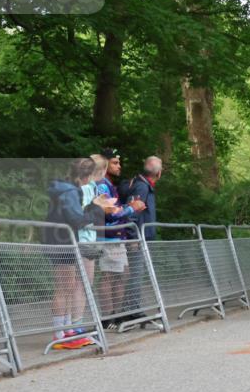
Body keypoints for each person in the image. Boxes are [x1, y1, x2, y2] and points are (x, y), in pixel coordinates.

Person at [45, 158, 116, 349]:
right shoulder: (69, 191)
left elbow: (74, 215)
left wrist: (92, 206)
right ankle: (59, 334)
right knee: (63, 288)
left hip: (64, 241)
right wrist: (97, 209)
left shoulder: (67, 189)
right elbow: (77, 220)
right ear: (88, 176)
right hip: (61, 243)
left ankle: (67, 330)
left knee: (67, 287)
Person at [95, 149, 145, 328]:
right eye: (115, 162)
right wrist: (132, 208)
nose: (119, 166)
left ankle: (117, 315)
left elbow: (115, 209)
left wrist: (128, 207)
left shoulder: (109, 184)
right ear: (104, 164)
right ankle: (107, 318)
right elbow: (109, 214)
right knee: (109, 276)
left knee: (122, 275)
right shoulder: (101, 185)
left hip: (117, 236)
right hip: (108, 236)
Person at [118, 156, 162, 326]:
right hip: (137, 238)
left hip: (142, 236)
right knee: (135, 274)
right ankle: (132, 311)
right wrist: (133, 236)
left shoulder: (142, 185)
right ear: (158, 173)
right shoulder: (142, 187)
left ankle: (132, 308)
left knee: (136, 274)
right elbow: (132, 212)